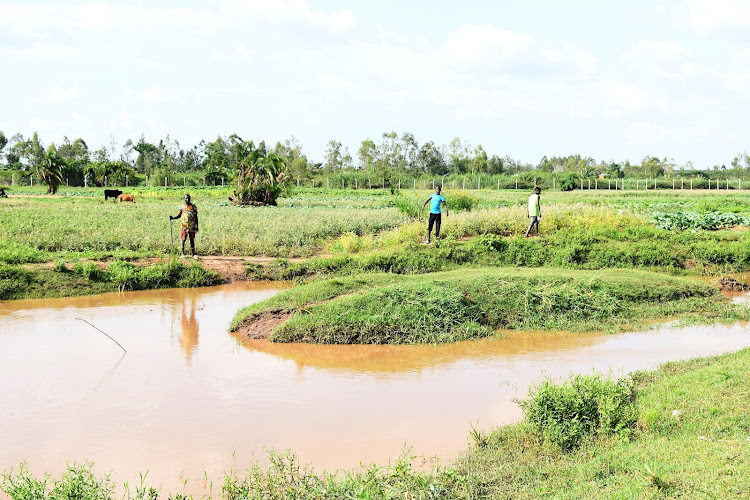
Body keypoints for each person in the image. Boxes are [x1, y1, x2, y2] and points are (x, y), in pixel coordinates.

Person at [170, 194, 199, 258]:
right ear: (184, 199)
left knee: (192, 239)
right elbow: (179, 215)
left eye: (188, 198)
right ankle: (182, 254)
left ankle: (193, 254)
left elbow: (196, 217)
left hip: (192, 226)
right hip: (184, 226)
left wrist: (197, 227)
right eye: (186, 198)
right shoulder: (182, 206)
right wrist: (173, 218)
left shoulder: (193, 207)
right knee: (183, 239)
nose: (187, 199)